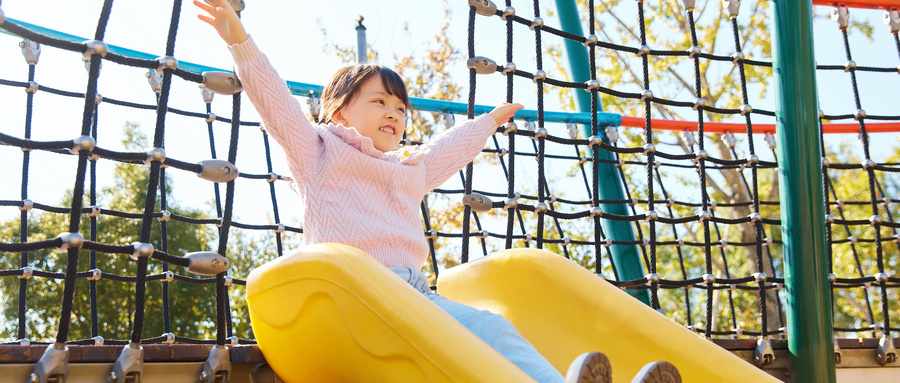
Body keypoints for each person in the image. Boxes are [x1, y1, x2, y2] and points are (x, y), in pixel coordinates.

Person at [194, 1, 680, 382]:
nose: (394, 114)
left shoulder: (406, 167)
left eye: (401, 109)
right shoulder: (317, 151)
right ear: (338, 112)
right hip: (357, 293)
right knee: (460, 343)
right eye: (379, 101)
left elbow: (447, 151)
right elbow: (274, 101)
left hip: (415, 292)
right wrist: (241, 42)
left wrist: (488, 122)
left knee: (492, 329)